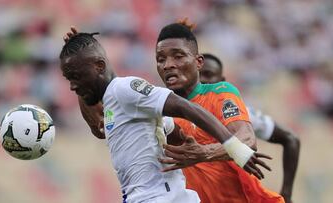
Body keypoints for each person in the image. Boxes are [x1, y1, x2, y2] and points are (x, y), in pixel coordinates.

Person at [59, 32, 269, 203]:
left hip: (159, 197)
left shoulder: (125, 89)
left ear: (99, 66)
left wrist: (235, 149)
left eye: (76, 77)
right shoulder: (117, 103)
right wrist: (80, 53)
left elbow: (184, 107)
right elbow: (99, 128)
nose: (72, 86)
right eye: (69, 78)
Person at [155, 21, 285, 203]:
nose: (168, 65)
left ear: (198, 62)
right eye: (161, 59)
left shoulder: (220, 93)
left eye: (178, 56)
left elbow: (247, 138)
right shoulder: (159, 111)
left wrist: (204, 153)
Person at [198, 53, 300, 202]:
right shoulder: (174, 111)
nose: (202, 80)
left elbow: (291, 139)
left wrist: (287, 193)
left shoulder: (237, 112)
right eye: (198, 74)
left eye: (208, 75)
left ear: (222, 81)